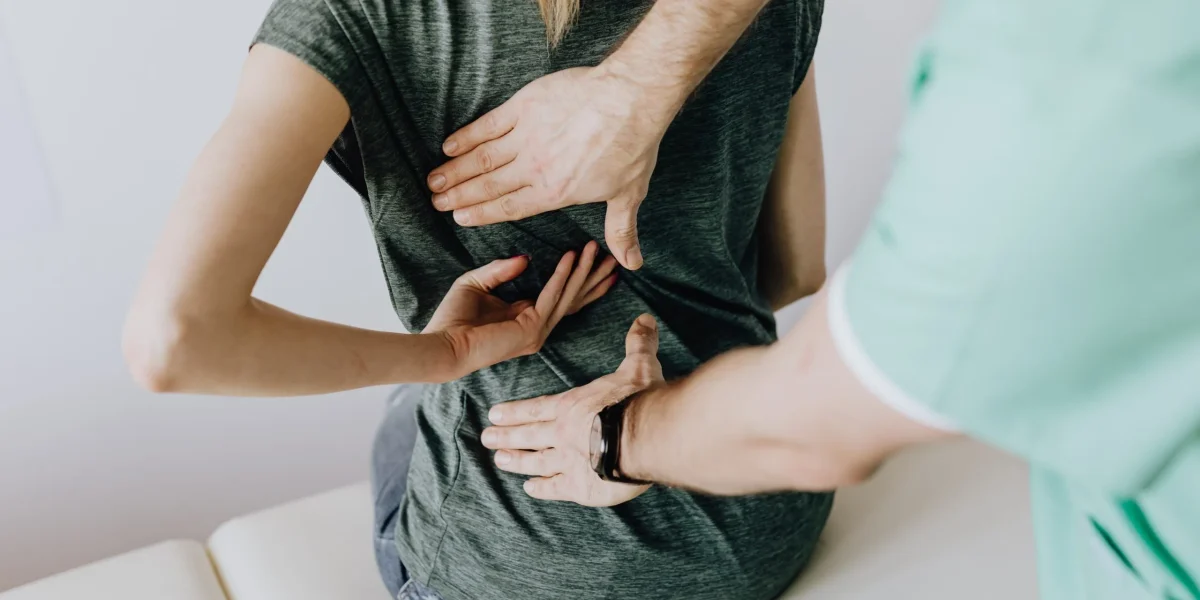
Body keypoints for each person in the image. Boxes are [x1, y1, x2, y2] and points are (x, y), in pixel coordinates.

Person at [470, 1, 1200, 599]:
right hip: (773, 526)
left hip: (548, 559)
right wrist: (641, 86)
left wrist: (610, 436)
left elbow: (825, 421)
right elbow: (796, 272)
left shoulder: (1062, 88)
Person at [123, 0, 832, 599]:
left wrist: (444, 353)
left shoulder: (348, 15)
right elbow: (795, 271)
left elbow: (177, 341)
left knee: (406, 408)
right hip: (765, 511)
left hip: (539, 568)